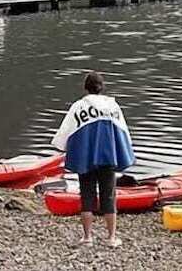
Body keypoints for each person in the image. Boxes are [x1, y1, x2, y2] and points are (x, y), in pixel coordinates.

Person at [52, 71, 135, 247]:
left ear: (85, 88)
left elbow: (65, 133)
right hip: (108, 157)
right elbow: (123, 132)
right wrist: (126, 153)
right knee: (109, 195)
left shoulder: (79, 106)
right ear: (102, 87)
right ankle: (111, 238)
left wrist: (63, 147)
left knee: (87, 196)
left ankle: (87, 237)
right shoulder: (113, 106)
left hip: (86, 157)